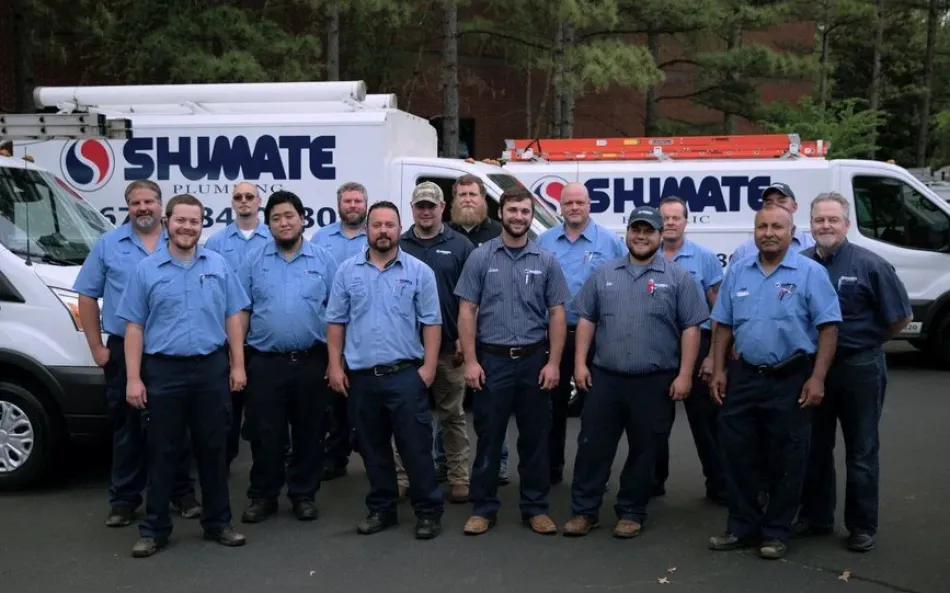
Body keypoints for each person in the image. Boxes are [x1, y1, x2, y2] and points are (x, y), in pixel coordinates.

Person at [115, 193, 249, 558]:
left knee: (213, 450)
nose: (187, 227)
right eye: (180, 221)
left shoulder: (218, 265)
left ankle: (218, 523)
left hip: (210, 369)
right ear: (167, 222)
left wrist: (237, 365)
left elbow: (233, 317)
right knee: (163, 451)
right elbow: (134, 328)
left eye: (194, 221)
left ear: (201, 225)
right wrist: (133, 378)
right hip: (164, 371)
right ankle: (154, 530)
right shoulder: (146, 271)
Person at [561, 206, 708, 538]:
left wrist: (686, 374)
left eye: (648, 231)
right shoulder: (604, 272)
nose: (641, 236)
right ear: (627, 233)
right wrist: (580, 363)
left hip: (654, 381)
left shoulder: (678, 277)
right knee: (592, 446)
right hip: (606, 378)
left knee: (645, 450)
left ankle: (631, 511)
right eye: (636, 230)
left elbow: (691, 328)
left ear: (659, 235)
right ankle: (584, 511)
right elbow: (587, 319)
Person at [707, 203, 841, 560]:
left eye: (777, 227)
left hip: (791, 379)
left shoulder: (810, 272)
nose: (768, 232)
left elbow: (828, 328)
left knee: (787, 457)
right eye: (762, 226)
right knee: (737, 454)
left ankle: (776, 532)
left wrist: (817, 378)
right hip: (745, 377)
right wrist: (719, 369)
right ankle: (742, 526)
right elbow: (722, 325)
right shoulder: (737, 271)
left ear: (792, 231)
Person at [73, 180, 200, 528]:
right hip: (122, 348)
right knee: (127, 427)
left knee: (175, 427)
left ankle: (181, 493)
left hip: (166, 351)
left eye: (149, 201)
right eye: (136, 203)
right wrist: (97, 347)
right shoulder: (108, 245)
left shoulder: (178, 239)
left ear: (162, 206)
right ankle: (125, 499)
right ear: (128, 207)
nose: (143, 208)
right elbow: (86, 295)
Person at [794, 192, 912, 553]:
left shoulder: (870, 265)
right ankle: (817, 517)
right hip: (815, 369)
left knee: (861, 449)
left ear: (846, 223)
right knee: (815, 447)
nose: (825, 226)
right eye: (819, 220)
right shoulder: (799, 265)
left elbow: (900, 317)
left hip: (858, 367)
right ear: (810, 225)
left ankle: (862, 525)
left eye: (832, 219)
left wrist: (866, 342)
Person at [325, 200, 445, 540]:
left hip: (405, 376)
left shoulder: (419, 272)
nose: (383, 231)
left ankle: (428, 512)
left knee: (416, 448)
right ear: (366, 229)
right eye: (376, 225)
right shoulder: (347, 271)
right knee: (373, 450)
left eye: (389, 225)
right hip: (362, 379)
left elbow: (432, 323)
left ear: (398, 229)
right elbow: (335, 322)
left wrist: (429, 369)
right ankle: (382, 509)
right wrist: (335, 366)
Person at [454, 187, 570, 536]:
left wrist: (554, 364)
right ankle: (483, 508)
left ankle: (535, 507)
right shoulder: (480, 257)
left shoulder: (546, 260)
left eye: (525, 211)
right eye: (513, 210)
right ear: (500, 213)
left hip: (534, 361)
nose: (519, 217)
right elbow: (467, 310)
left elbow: (558, 314)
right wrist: (471, 361)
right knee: (489, 437)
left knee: (535, 438)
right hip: (493, 362)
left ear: (531, 216)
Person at [237, 191, 338, 523]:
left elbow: (338, 315)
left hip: (311, 360)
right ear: (268, 224)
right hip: (266, 362)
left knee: (310, 432)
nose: (284, 222)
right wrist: (237, 360)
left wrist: (337, 361)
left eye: (289, 216)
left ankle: (303, 494)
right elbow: (242, 312)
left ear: (302, 218)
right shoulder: (253, 261)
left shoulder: (323, 260)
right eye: (276, 217)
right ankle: (263, 495)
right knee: (267, 433)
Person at [536, 182, 626, 485]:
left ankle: (590, 475)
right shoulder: (544, 242)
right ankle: (550, 470)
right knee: (552, 407)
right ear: (559, 207)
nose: (574, 207)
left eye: (580, 202)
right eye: (568, 203)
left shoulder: (611, 243)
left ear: (590, 205)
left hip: (597, 335)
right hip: (554, 335)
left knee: (595, 412)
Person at [395, 182, 474, 504]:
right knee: (407, 419)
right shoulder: (399, 245)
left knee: (452, 416)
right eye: (420, 206)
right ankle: (403, 477)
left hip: (448, 349)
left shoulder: (461, 245)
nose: (426, 211)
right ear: (412, 209)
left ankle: (458, 476)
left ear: (443, 207)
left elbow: (472, 299)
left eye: (432, 205)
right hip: (407, 350)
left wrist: (466, 344)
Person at [653, 196, 727, 504]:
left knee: (707, 423)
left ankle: (719, 483)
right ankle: (652, 483)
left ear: (686, 222)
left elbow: (721, 311)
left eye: (676, 217)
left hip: (699, 350)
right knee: (655, 424)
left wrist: (713, 357)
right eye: (665, 218)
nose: (670, 222)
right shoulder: (644, 255)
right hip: (657, 350)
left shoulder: (704, 258)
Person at [446, 174, 510, 484]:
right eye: (462, 194)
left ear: (484, 200)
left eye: (473, 194)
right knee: (449, 406)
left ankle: (495, 464)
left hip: (494, 335)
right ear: (453, 200)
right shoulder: (444, 235)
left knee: (494, 408)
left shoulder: (500, 233)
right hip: (453, 336)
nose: (468, 199)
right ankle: (443, 461)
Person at [204, 182, 271, 469]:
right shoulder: (216, 243)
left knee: (262, 413)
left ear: (259, 201)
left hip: (263, 343)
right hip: (226, 340)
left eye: (249, 197)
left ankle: (264, 470)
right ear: (232, 203)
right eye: (238, 197)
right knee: (225, 411)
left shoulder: (273, 239)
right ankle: (222, 465)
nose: (244, 201)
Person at [312, 181, 369, 480]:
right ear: (339, 205)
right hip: (331, 328)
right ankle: (335, 456)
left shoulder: (375, 236)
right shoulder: (321, 238)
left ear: (366, 205)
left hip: (365, 329)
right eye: (347, 201)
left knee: (363, 396)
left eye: (358, 201)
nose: (353, 206)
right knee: (333, 398)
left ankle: (367, 449)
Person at [728, 183, 815, 263]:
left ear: (794, 206)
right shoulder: (744, 251)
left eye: (781, 201)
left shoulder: (812, 246)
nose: (775, 206)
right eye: (769, 202)